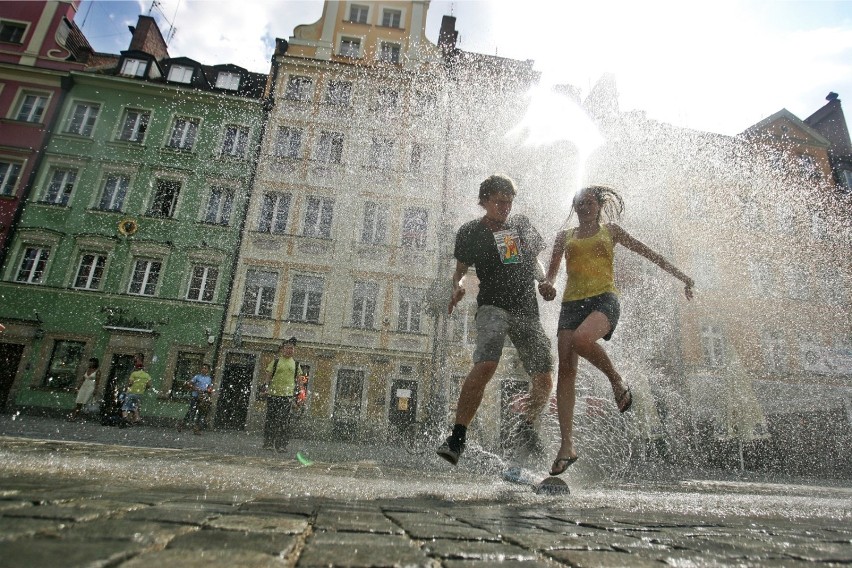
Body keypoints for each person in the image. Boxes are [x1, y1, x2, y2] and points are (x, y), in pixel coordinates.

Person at [538, 185, 694, 476]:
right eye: (579, 203)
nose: (583, 207)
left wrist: (682, 276)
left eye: (588, 202)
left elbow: (650, 254)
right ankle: (566, 446)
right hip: (571, 305)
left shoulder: (611, 231)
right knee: (566, 372)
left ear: (598, 205)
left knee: (583, 340)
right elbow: (551, 276)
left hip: (603, 301)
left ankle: (616, 379)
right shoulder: (564, 238)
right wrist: (547, 286)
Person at [437, 174, 554, 466]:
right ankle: (457, 437)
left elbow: (530, 261)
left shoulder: (517, 226)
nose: (506, 208)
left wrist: (543, 281)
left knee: (543, 374)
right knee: (487, 363)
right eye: (500, 202)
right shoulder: (470, 232)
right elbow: (460, 269)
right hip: (492, 306)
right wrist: (457, 285)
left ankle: (528, 427)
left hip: (525, 308)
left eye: (509, 202)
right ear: (485, 201)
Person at [261, 337, 305, 450]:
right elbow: (268, 375)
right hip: (273, 395)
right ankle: (268, 443)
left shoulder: (296, 364)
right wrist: (265, 387)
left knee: (284, 422)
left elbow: (300, 380)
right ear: (283, 349)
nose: (289, 350)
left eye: (292, 348)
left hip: (287, 397)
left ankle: (281, 445)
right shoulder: (276, 362)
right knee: (270, 420)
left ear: (294, 350)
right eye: (287, 348)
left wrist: (301, 394)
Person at [178, 363, 213, 434]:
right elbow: (189, 384)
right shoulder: (197, 377)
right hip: (195, 396)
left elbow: (210, 388)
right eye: (203, 368)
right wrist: (195, 388)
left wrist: (208, 390)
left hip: (202, 398)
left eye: (205, 368)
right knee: (191, 411)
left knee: (200, 413)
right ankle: (182, 424)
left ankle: (196, 429)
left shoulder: (209, 379)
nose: (203, 369)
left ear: (208, 370)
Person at [121, 354, 152, 426]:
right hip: (140, 394)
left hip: (131, 392)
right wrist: (143, 387)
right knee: (135, 407)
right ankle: (137, 419)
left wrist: (126, 388)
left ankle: (125, 418)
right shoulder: (147, 375)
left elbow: (130, 383)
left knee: (125, 406)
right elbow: (149, 385)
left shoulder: (134, 374)